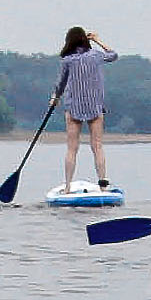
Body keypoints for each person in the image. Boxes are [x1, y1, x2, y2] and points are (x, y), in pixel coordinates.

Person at [53, 27, 118, 190]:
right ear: (85, 40)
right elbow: (113, 55)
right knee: (97, 146)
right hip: (95, 107)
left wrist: (55, 97)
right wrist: (96, 39)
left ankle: (67, 186)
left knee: (71, 148)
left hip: (73, 107)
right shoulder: (95, 55)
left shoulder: (67, 60)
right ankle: (103, 183)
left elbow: (61, 83)